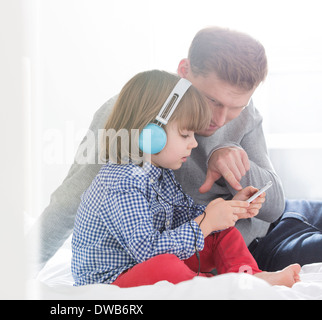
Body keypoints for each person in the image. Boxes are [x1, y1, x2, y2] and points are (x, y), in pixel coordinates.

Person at [30, 26, 319, 274]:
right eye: (212, 101)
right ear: (184, 71)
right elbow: (69, 204)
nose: (220, 120)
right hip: (227, 252)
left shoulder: (242, 112)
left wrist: (229, 161)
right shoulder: (130, 115)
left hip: (272, 228)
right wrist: (13, 274)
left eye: (236, 108)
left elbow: (275, 206)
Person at [71, 70, 300, 287]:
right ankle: (216, 286)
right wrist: (206, 222)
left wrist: (228, 209)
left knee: (222, 233)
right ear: (151, 134)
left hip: (147, 262)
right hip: (114, 278)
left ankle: (250, 277)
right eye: (185, 134)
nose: (194, 143)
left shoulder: (161, 173)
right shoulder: (122, 181)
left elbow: (185, 214)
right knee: (166, 266)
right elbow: (147, 251)